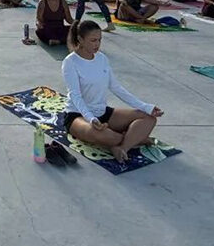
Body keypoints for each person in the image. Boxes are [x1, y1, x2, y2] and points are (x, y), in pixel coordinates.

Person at [62, 20, 163, 162]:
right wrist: (91, 119)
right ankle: (135, 138)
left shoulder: (102, 58)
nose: (97, 44)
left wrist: (146, 107)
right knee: (108, 136)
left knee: (149, 118)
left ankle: (123, 148)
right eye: (93, 40)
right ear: (80, 39)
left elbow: (116, 87)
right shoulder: (70, 62)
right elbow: (75, 96)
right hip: (78, 115)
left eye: (99, 40)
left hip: (103, 112)